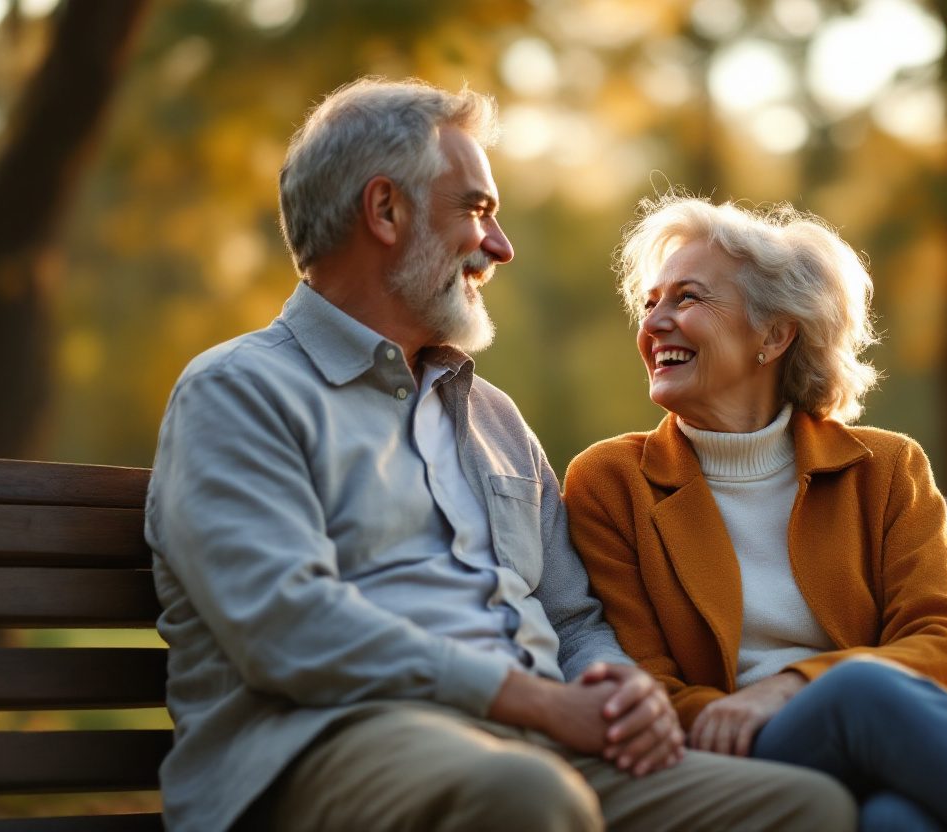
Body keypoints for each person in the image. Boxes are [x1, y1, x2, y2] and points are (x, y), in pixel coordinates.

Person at [146, 79, 857, 832]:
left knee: (803, 806)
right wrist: (537, 701)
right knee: (524, 796)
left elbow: (572, 618)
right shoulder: (239, 393)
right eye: (477, 210)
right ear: (385, 210)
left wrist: (617, 690)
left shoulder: (492, 417)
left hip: (533, 748)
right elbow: (286, 626)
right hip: (322, 746)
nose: (500, 245)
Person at [563, 194, 947, 832]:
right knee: (858, 695)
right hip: (761, 763)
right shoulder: (613, 483)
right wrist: (796, 701)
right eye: (650, 303)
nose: (655, 323)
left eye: (687, 298)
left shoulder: (885, 467)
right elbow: (650, 686)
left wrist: (794, 683)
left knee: (894, 822)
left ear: (775, 335)